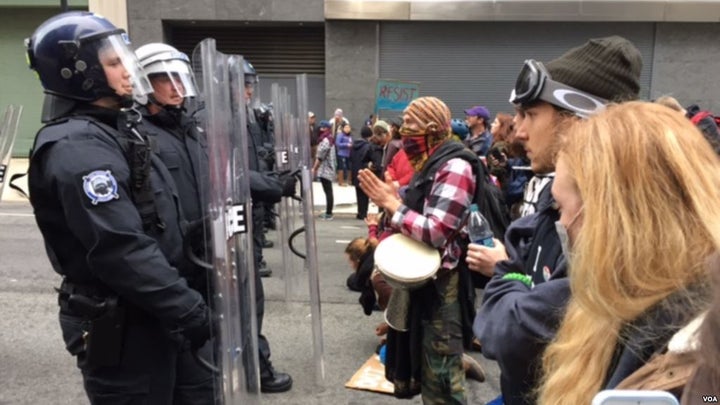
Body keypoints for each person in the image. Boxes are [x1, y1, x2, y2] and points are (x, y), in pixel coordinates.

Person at [25, 12, 215, 403]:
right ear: (78, 73)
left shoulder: (116, 130)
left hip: (156, 310)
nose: (129, 71)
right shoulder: (79, 147)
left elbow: (158, 218)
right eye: (114, 64)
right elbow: (120, 247)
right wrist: (187, 309)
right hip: (126, 325)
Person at [470, 36, 644, 405]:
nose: (519, 130)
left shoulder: (617, 233)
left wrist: (505, 271)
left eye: (531, 114)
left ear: (577, 123)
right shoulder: (558, 201)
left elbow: (505, 332)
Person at [538, 101, 719, 404]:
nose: (561, 223)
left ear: (609, 221)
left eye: (561, 207)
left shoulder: (694, 361)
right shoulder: (624, 306)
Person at [359, 96, 477, 403]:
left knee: (442, 378)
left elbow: (436, 232)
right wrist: (395, 199)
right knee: (426, 367)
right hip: (424, 284)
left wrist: (392, 204)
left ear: (430, 129)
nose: (403, 133)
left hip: (442, 286)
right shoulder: (431, 164)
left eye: (409, 125)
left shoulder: (455, 167)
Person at [239, 57, 295, 392]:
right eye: (244, 84)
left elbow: (257, 159)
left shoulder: (248, 119)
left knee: (250, 300)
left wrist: (274, 174)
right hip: (232, 221)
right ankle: (255, 367)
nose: (249, 91)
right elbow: (228, 172)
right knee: (247, 301)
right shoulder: (214, 120)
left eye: (251, 84)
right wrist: (273, 186)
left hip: (252, 213)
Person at [313, 120, 336, 220]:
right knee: (328, 191)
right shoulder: (329, 138)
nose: (320, 129)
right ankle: (328, 212)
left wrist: (314, 168)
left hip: (325, 169)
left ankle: (329, 213)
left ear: (326, 128)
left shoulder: (326, 140)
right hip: (327, 168)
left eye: (322, 127)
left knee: (328, 191)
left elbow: (320, 157)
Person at [335, 122, 353, 187]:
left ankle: (349, 180)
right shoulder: (340, 135)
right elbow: (337, 144)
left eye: (349, 127)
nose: (347, 129)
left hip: (348, 154)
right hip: (341, 153)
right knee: (341, 167)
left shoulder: (350, 136)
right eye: (346, 127)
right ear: (343, 128)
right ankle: (341, 181)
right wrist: (346, 145)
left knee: (349, 167)